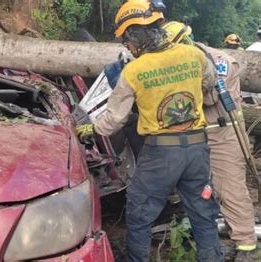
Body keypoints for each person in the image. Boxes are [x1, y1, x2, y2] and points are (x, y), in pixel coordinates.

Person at [75, 0, 223, 261]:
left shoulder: (133, 71)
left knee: (139, 213)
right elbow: (210, 82)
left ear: (135, 35)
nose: (128, 47)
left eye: (127, 41)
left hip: (161, 154)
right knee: (203, 213)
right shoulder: (194, 55)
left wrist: (87, 128)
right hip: (198, 149)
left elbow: (114, 121)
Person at [163, 21, 258, 262]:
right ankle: (210, 241)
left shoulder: (218, 61)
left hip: (223, 133)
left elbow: (211, 97)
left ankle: (246, 244)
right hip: (193, 133)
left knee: (230, 188)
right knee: (198, 189)